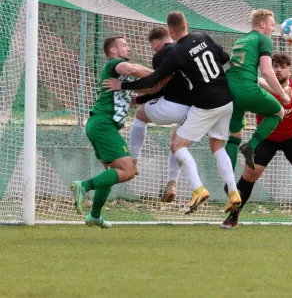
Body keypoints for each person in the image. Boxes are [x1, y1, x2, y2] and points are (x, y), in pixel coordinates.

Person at [103, 12, 241, 214]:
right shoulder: (202, 36)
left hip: (205, 104)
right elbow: (225, 57)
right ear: (187, 24)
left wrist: (123, 86)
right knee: (217, 146)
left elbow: (153, 82)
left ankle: (198, 189)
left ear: (170, 31)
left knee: (177, 145)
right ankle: (234, 193)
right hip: (226, 101)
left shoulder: (177, 53)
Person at [221, 53, 292, 229]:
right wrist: (240, 117)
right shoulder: (259, 90)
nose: (278, 70)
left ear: (290, 69)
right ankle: (233, 216)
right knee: (250, 174)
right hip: (265, 137)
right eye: (274, 66)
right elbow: (243, 102)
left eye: (283, 66)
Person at [71, 36, 155, 228]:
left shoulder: (120, 76)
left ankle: (94, 215)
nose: (128, 47)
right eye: (124, 45)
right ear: (113, 51)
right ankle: (83, 186)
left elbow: (144, 87)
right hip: (103, 124)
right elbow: (132, 69)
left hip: (98, 123)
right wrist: (160, 73)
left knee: (112, 171)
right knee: (128, 170)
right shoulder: (115, 64)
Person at [129, 26, 192, 202]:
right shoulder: (185, 52)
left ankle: (133, 161)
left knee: (140, 116)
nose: (153, 50)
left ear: (156, 43)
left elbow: (159, 87)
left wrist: (139, 100)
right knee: (177, 144)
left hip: (172, 106)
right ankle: (172, 183)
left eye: (152, 46)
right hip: (194, 111)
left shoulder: (161, 55)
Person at [224, 9, 291, 172]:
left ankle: (230, 185)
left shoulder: (242, 39)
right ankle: (251, 146)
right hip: (246, 90)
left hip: (228, 91)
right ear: (263, 24)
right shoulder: (264, 39)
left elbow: (254, 76)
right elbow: (267, 71)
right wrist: (283, 95)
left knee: (234, 137)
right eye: (272, 24)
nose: (273, 28)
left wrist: (278, 91)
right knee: (278, 112)